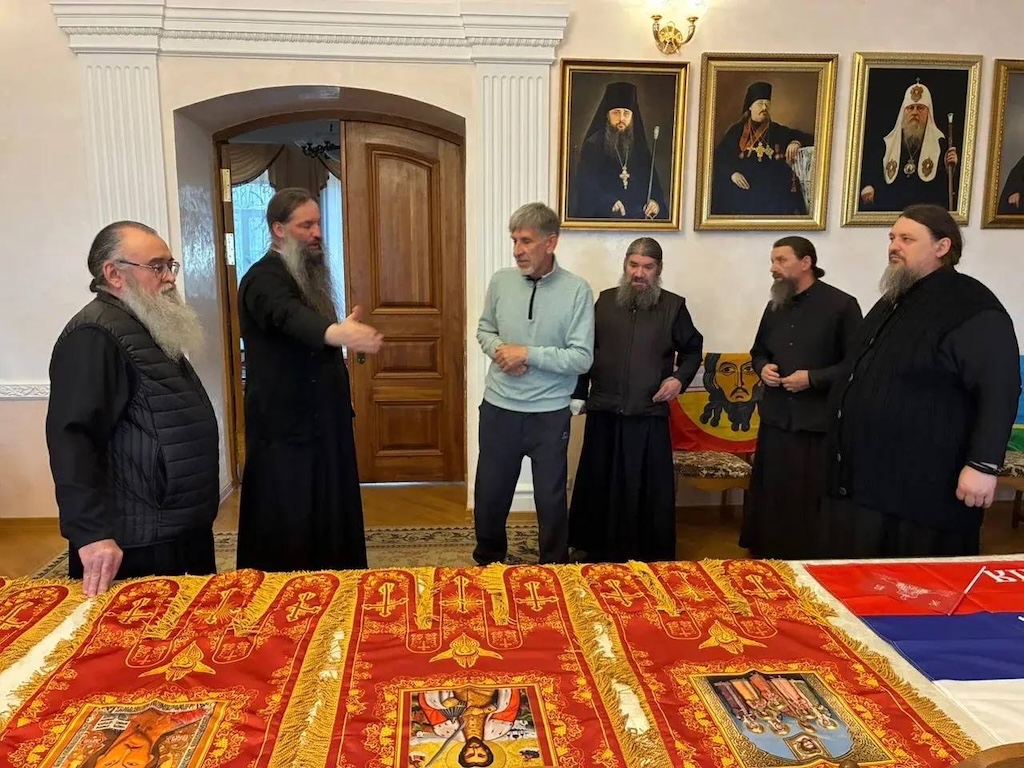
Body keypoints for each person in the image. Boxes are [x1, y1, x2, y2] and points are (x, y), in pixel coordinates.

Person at [820, 204, 1021, 558]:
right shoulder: (894, 299)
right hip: (867, 485)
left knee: (914, 582)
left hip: (925, 491)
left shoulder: (972, 305)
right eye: (892, 238)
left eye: (907, 239)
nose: (894, 246)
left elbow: (1000, 389)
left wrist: (982, 465)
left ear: (942, 246)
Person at [46, 221, 219, 597]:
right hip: (137, 541)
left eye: (170, 265)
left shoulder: (144, 324)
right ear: (113, 273)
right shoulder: (94, 335)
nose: (169, 277)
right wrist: (91, 534)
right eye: (157, 267)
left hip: (175, 528)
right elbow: (73, 439)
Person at [235, 187, 383, 572]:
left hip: (322, 421)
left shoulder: (305, 275)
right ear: (278, 229)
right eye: (306, 225)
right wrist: (335, 333)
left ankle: (336, 582)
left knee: (329, 509)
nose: (317, 233)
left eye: (317, 224)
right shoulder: (263, 278)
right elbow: (287, 315)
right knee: (292, 517)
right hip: (286, 428)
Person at [569, 237, 703, 563]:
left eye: (647, 267)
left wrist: (678, 380)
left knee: (641, 485)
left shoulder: (673, 306)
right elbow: (586, 350)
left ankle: (644, 551)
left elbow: (692, 351)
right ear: (625, 265)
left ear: (658, 270)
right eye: (633, 265)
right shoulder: (604, 301)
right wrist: (578, 392)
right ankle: (592, 546)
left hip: (647, 411)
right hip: (604, 408)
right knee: (599, 479)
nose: (639, 273)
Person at [474, 202, 594, 565]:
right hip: (499, 408)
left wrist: (527, 354)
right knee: (490, 494)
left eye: (526, 241)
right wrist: (501, 352)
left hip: (549, 414)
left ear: (550, 242)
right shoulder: (501, 281)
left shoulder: (577, 290)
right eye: (514, 240)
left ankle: (554, 566)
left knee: (551, 498)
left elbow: (581, 358)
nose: (517, 250)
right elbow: (484, 330)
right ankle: (488, 560)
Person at [742, 236, 862, 559]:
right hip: (777, 417)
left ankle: (806, 557)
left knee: (808, 495)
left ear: (806, 262)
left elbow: (857, 365)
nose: (773, 268)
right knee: (773, 491)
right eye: (772, 261)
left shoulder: (841, 306)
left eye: (781, 260)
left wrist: (812, 378)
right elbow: (758, 351)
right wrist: (763, 368)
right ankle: (768, 551)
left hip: (817, 423)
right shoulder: (775, 305)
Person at [711, 81, 814, 216]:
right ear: (750, 106)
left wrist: (796, 142)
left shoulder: (777, 130)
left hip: (771, 192)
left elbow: (808, 137)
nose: (764, 107)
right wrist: (733, 173)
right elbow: (720, 156)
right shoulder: (736, 131)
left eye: (767, 104)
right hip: (742, 188)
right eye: (760, 103)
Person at [568, 81, 667, 220]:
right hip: (605, 219)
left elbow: (654, 185)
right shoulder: (593, 145)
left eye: (626, 113)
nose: (621, 119)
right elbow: (586, 186)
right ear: (607, 115)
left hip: (638, 220)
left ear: (632, 117)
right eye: (616, 113)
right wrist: (608, 202)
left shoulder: (640, 147)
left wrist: (654, 203)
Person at [859, 80, 959, 211]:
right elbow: (873, 174)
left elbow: (947, 189)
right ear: (903, 112)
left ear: (929, 113)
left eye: (920, 108)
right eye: (910, 108)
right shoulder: (888, 144)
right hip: (891, 209)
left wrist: (950, 169)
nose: (915, 112)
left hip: (926, 212)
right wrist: (869, 186)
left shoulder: (941, 143)